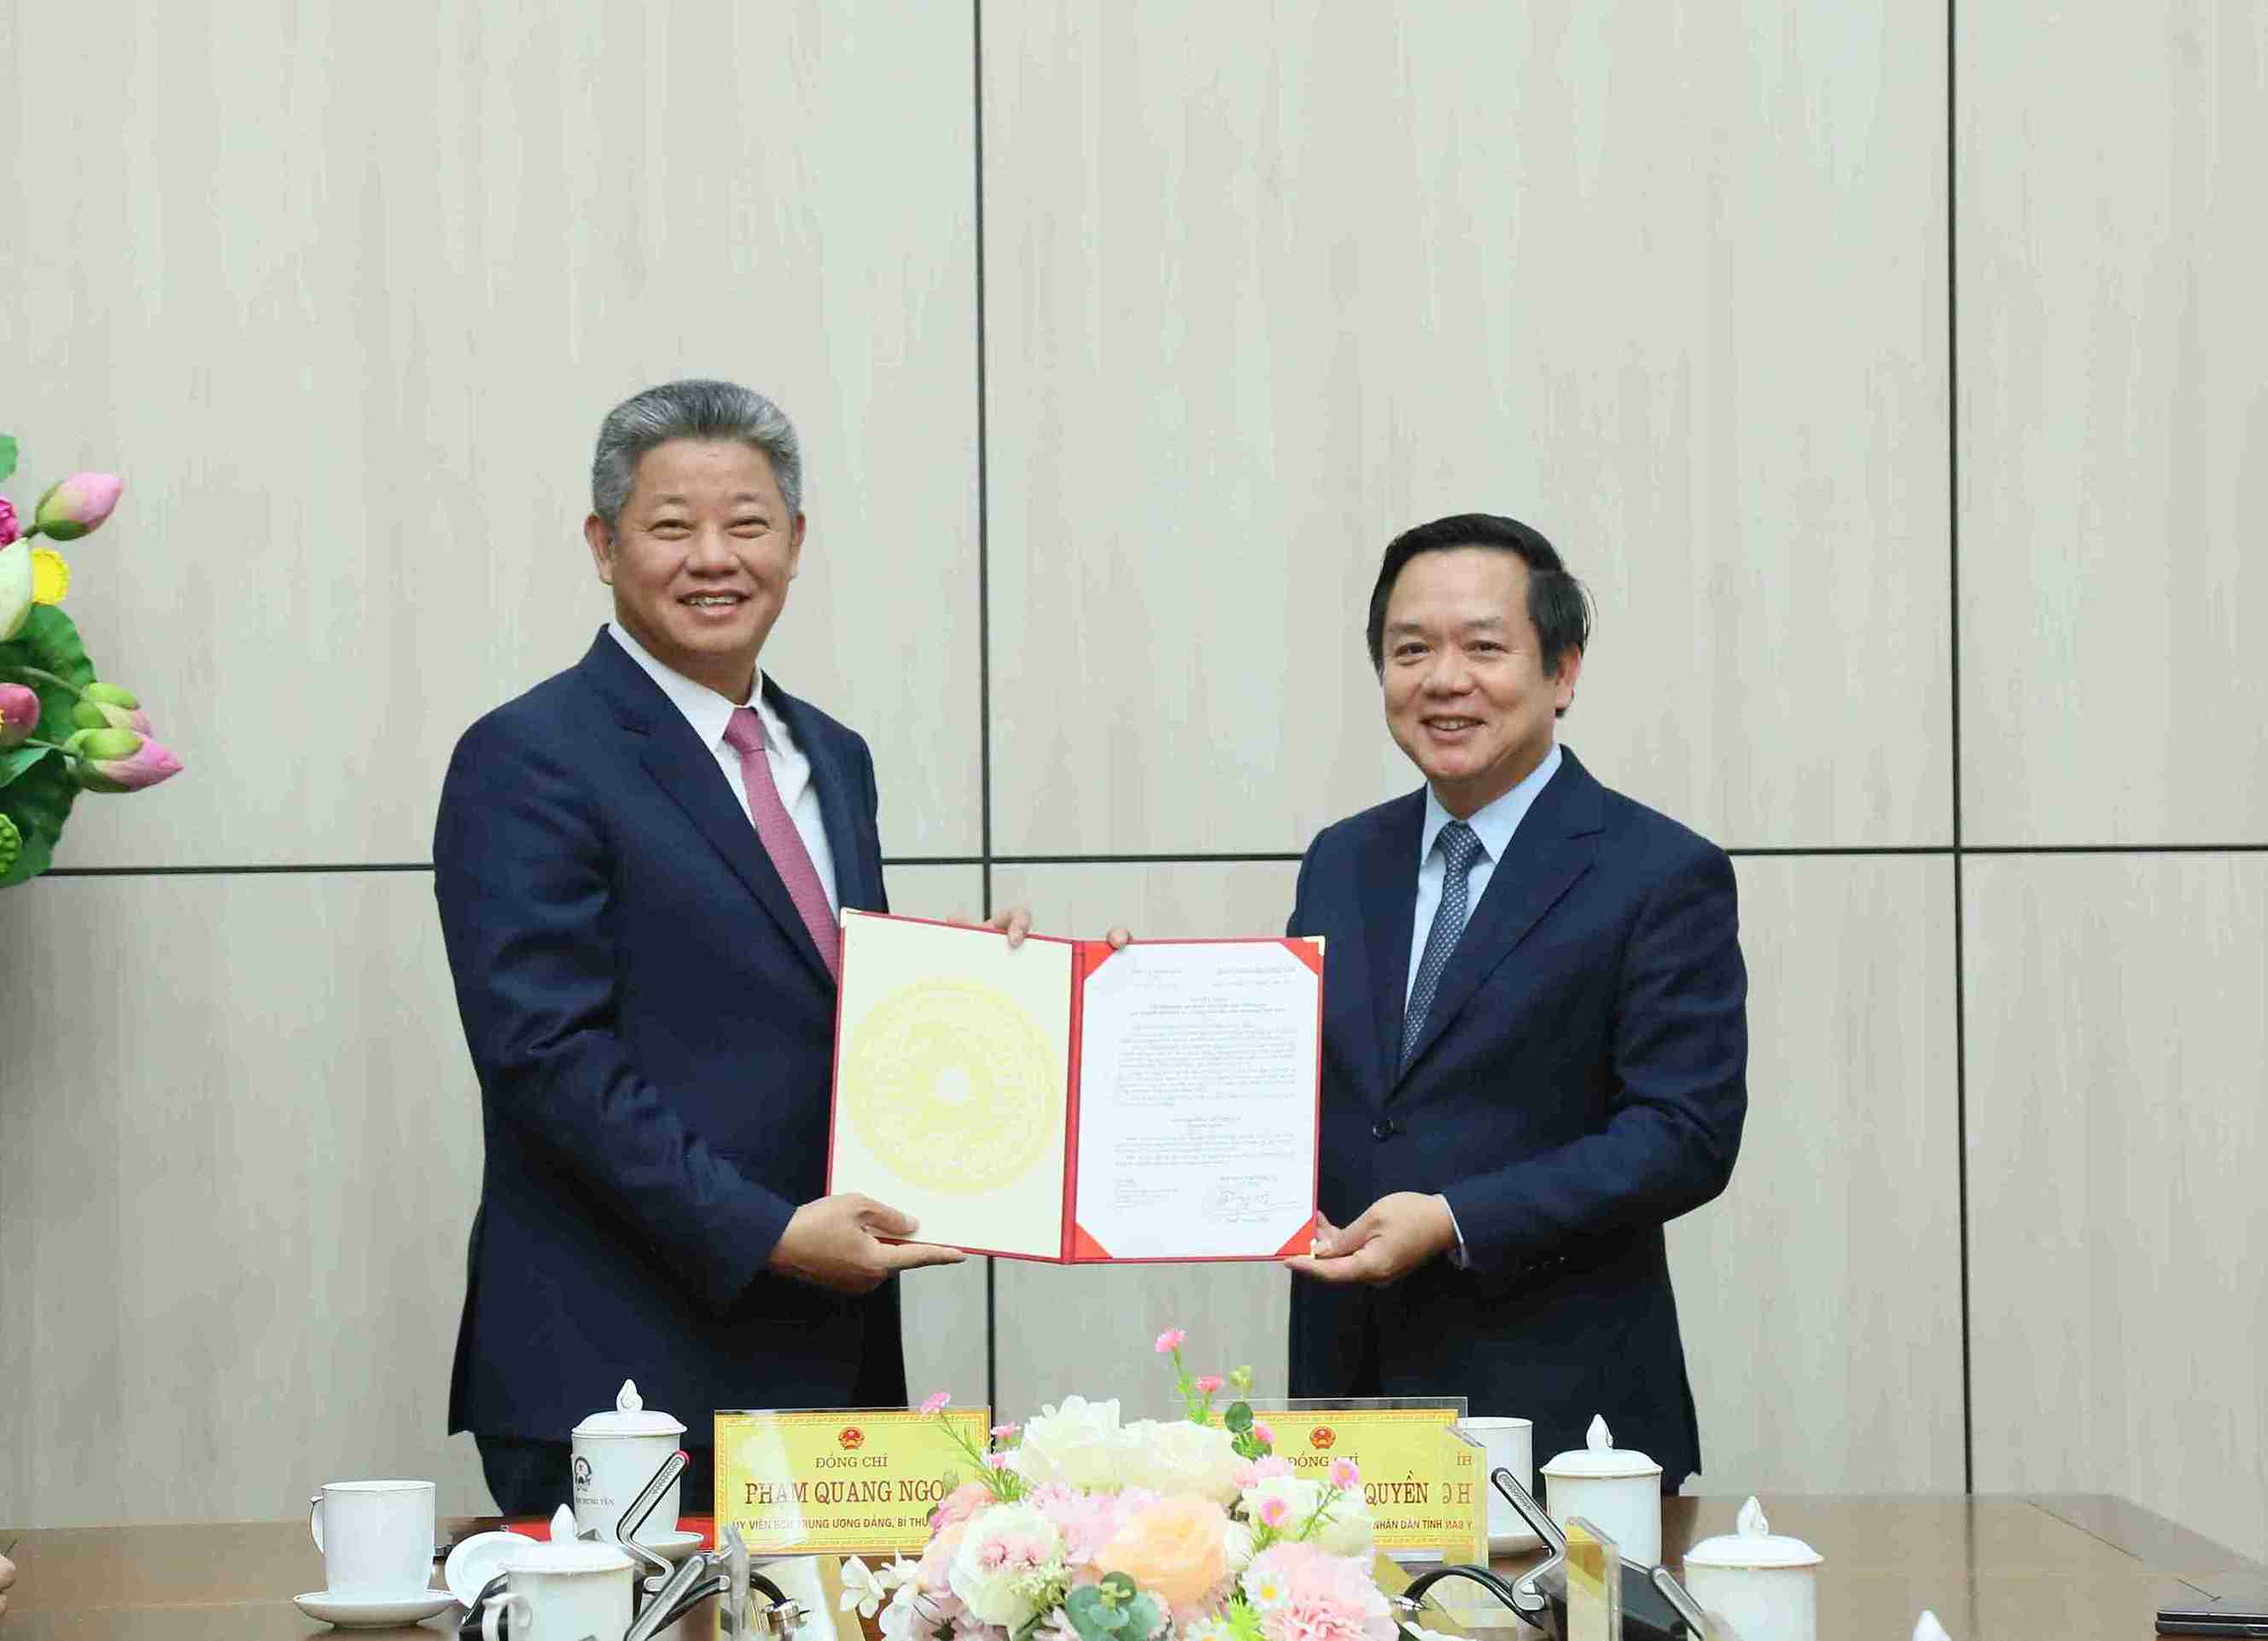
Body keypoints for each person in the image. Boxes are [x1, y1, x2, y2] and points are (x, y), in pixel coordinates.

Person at [434, 379, 992, 1515]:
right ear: (602, 544)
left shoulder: (830, 753)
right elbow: (547, 1056)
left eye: (746, 524)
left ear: (794, 541)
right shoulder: (530, 755)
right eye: (670, 525)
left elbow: (806, 999)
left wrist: (978, 991)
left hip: (831, 1363)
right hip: (622, 1364)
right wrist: (770, 1233)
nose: (713, 557)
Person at [1283, 512, 1747, 1492]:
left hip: (1564, 1416)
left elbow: (1682, 1133)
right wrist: (1131, 1007)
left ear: (1562, 671)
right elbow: (1291, 1083)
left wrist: (1452, 1216)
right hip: (1347, 1408)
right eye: (1411, 650)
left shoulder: (1658, 871)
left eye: (1483, 647)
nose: (1443, 679)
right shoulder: (1340, 858)